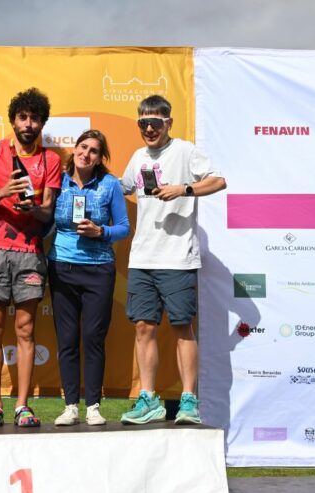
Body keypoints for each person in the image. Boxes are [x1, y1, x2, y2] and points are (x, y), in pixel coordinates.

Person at [119, 95, 226, 425]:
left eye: (156, 123)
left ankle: (189, 400)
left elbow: (218, 180)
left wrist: (184, 190)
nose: (149, 129)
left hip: (178, 258)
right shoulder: (138, 157)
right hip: (142, 257)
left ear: (169, 123)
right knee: (143, 327)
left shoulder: (186, 151)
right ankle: (148, 399)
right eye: (143, 123)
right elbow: (121, 187)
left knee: (182, 327)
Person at [0, 88, 61, 428]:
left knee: (25, 330)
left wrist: (33, 208)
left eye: (34, 118)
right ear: (13, 120)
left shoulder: (51, 160)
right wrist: (5, 192)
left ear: (42, 122)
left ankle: (22, 405)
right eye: (23, 117)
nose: (28, 123)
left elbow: (48, 213)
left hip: (30, 252)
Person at [49, 130, 130, 427]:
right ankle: (70, 405)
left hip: (99, 269)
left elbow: (123, 227)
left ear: (100, 157)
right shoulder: (58, 180)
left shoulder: (109, 185)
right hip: (61, 268)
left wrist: (101, 232)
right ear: (74, 148)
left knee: (93, 339)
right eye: (83, 147)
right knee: (67, 340)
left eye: (94, 150)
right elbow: (45, 217)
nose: (86, 154)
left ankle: (93, 405)